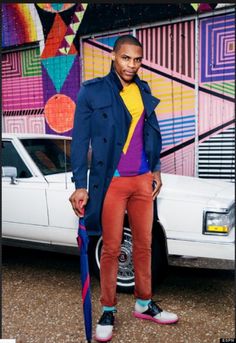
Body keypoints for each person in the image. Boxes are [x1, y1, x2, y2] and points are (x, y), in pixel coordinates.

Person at [69, 35, 178, 342]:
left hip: (143, 180)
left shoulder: (143, 90)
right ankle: (108, 309)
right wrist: (80, 185)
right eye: (126, 58)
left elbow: (151, 133)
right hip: (112, 182)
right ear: (114, 57)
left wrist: (155, 169)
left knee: (144, 245)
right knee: (112, 249)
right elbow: (80, 142)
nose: (132, 64)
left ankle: (144, 303)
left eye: (137, 59)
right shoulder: (92, 91)